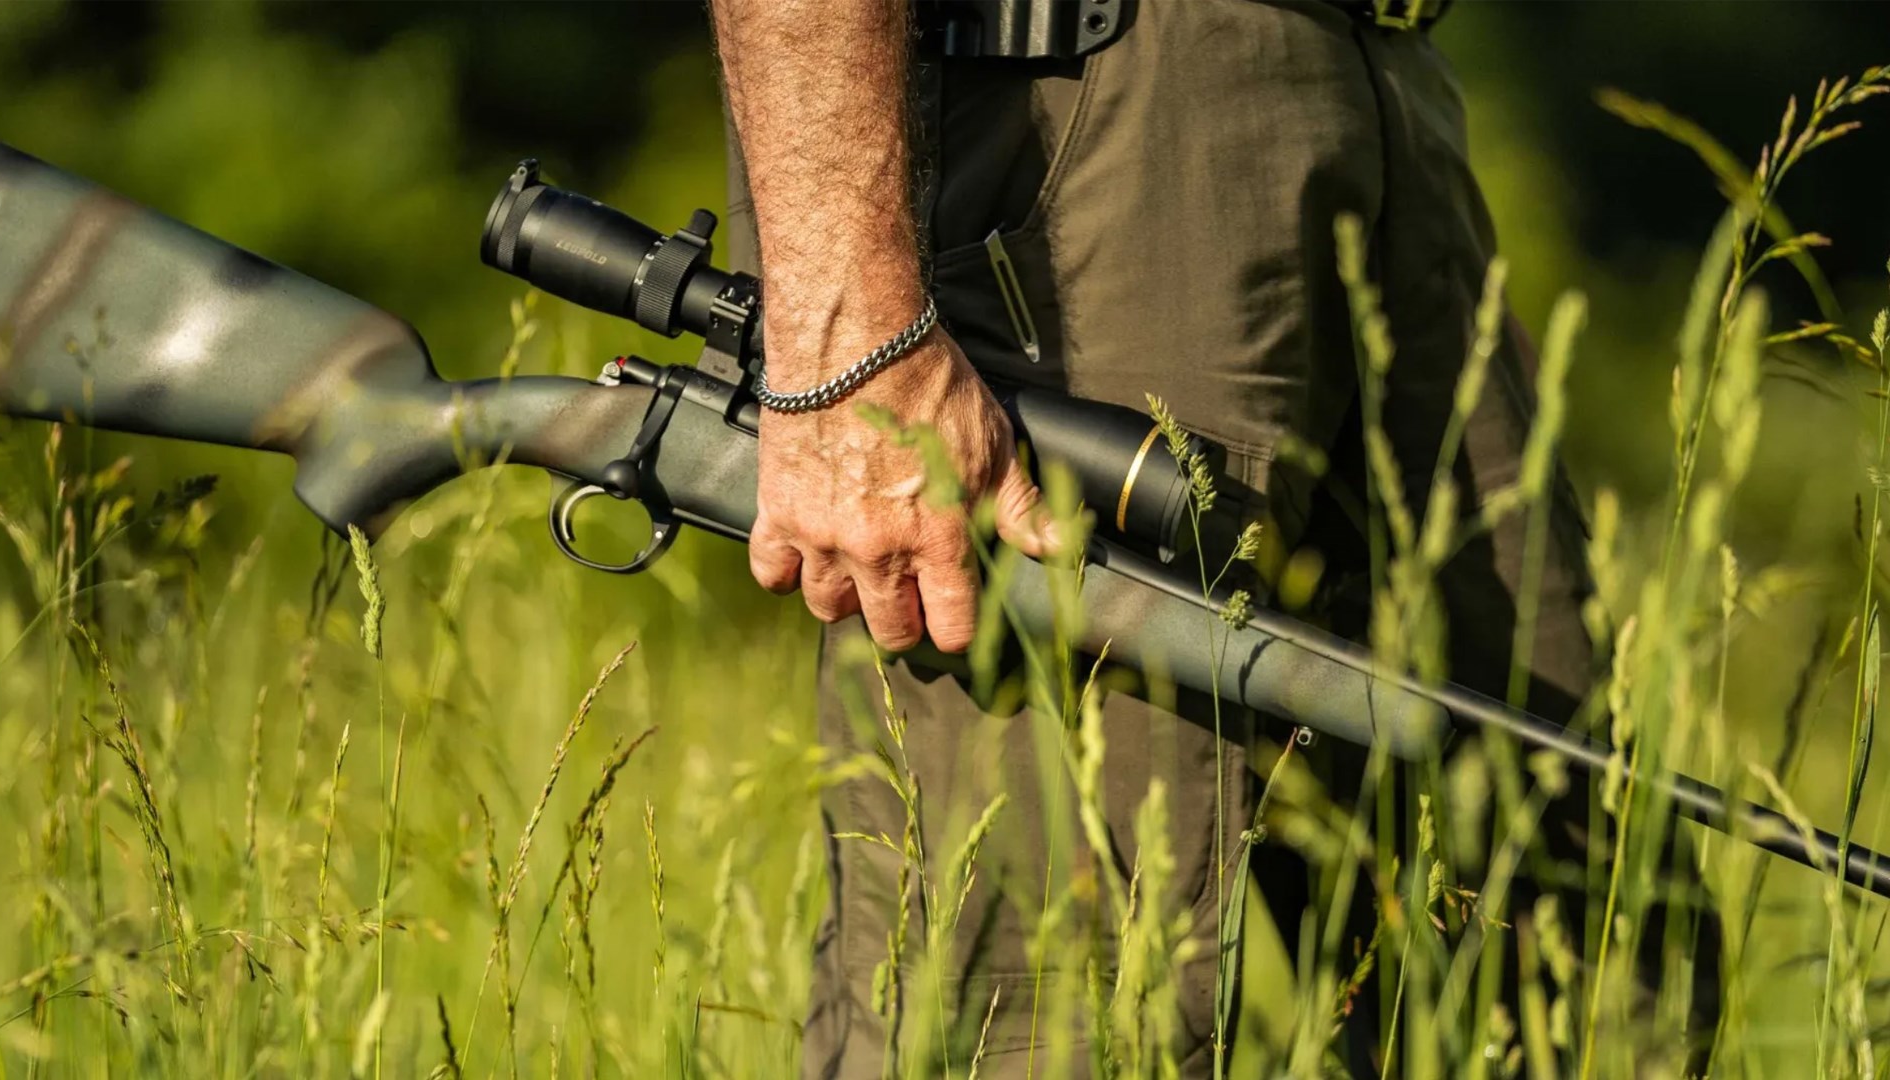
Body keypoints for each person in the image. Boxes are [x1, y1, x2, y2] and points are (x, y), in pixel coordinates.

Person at [710, 1, 1667, 1075]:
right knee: (1056, 1009)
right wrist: (853, 340)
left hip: (1385, 82)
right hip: (1075, 101)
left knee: (1579, 963)